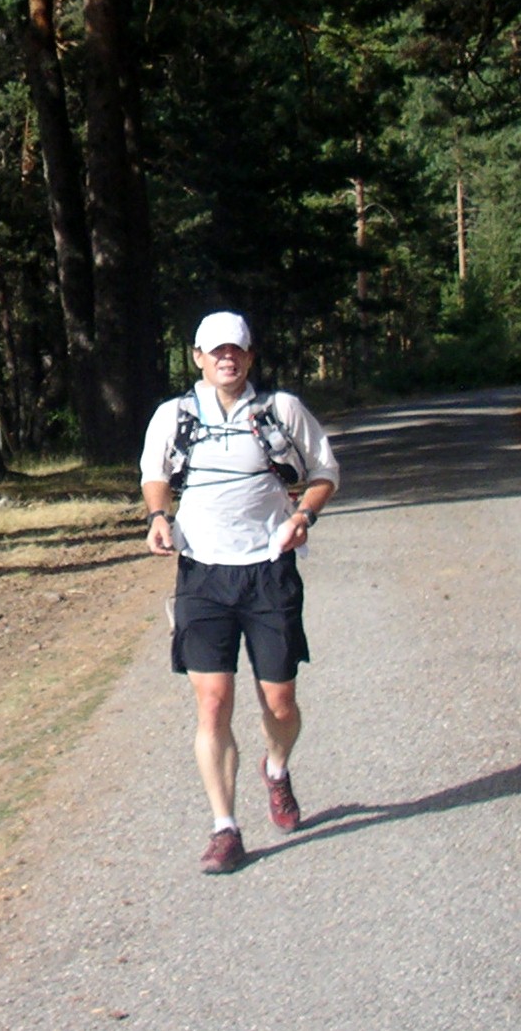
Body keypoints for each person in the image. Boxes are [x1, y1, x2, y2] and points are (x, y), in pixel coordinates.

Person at [140, 311, 339, 874]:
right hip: (203, 573)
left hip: (268, 569)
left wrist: (303, 515)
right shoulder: (174, 415)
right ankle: (224, 828)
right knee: (212, 702)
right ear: (198, 358)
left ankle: (276, 768)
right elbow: (154, 473)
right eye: (216, 351)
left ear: (249, 357)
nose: (226, 358)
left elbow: (325, 472)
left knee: (280, 702)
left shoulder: (281, 410)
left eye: (236, 350)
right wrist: (158, 516)